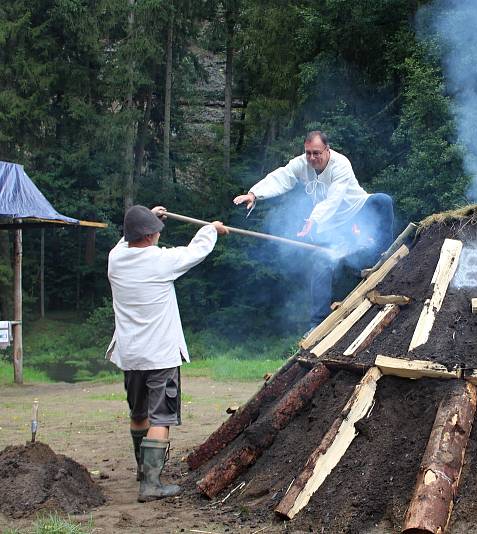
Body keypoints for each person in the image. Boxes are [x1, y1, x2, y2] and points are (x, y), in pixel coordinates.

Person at [106, 205, 228, 502]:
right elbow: (195, 252)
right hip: (160, 355)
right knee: (161, 418)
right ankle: (151, 485)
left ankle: (142, 469)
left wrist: (149, 216)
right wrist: (212, 229)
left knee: (138, 414)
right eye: (155, 231)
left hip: (130, 354)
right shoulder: (160, 261)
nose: (159, 235)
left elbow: (127, 240)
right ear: (148, 236)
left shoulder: (115, 259)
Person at [233, 130, 394, 330]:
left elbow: (334, 199)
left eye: (316, 153)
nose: (312, 158)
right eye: (308, 153)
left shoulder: (341, 164)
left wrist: (314, 219)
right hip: (331, 224)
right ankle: (317, 323)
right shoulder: (302, 163)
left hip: (357, 212)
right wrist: (254, 194)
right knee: (321, 261)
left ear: (327, 150)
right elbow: (281, 176)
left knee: (382, 201)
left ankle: (385, 255)